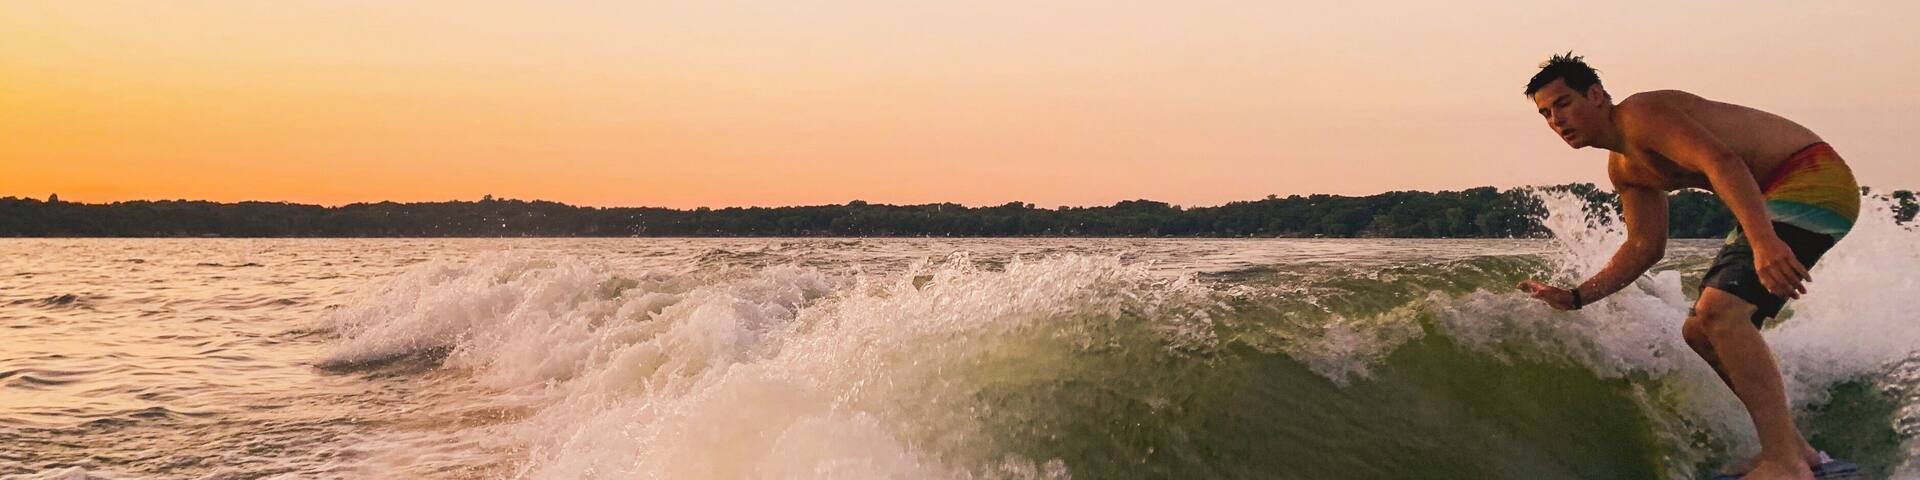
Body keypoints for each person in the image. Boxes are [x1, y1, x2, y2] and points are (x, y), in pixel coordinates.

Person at [1513, 53, 1859, 480]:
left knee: (1721, 313)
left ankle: (1784, 463)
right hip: (1772, 196)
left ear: (1597, 95)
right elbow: (1643, 247)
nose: (1556, 120)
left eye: (1563, 103)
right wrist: (1577, 296)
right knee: (1698, 330)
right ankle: (1797, 451)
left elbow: (1724, 162)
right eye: (1545, 113)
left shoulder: (1641, 114)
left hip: (1810, 177)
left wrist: (1764, 240)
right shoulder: (1624, 167)